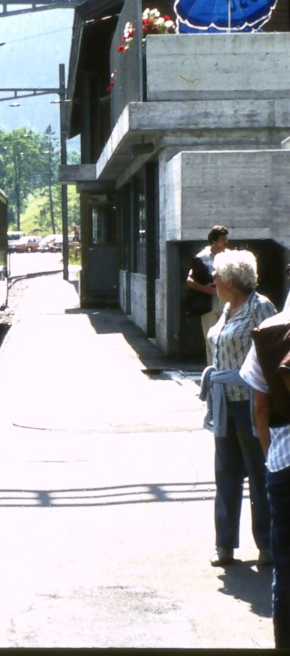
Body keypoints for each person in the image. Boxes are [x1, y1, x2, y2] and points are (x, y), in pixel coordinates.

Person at [199, 249, 274, 567]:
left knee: (259, 475)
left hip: (252, 403)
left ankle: (268, 545)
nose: (212, 280)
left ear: (230, 279)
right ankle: (225, 544)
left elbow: (273, 354)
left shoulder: (260, 306)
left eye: (216, 275)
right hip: (224, 404)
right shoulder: (227, 307)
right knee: (226, 475)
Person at [241, 290, 290, 648]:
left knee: (286, 563)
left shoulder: (269, 332)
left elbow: (259, 407)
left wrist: (269, 454)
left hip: (284, 461)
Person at [187, 225, 229, 359]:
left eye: (226, 239)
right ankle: (212, 370)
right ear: (214, 240)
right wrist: (204, 288)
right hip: (208, 301)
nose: (226, 242)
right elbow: (189, 280)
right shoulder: (201, 257)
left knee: (227, 336)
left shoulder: (229, 256)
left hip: (226, 300)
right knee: (210, 337)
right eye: (223, 239)